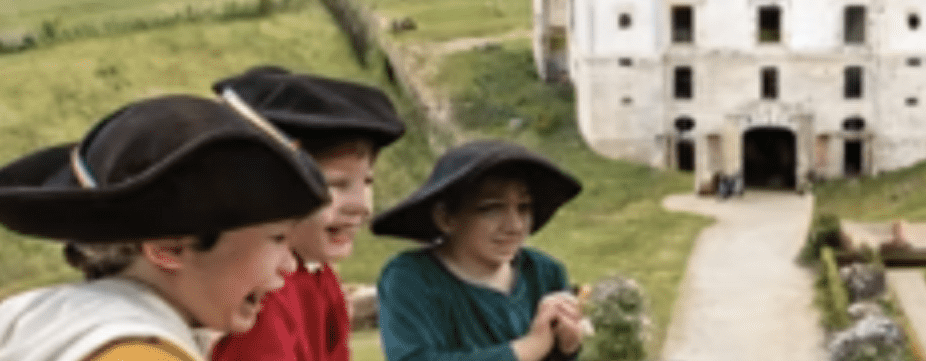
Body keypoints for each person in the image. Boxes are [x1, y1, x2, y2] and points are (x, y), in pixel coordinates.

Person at [0, 93, 329, 361]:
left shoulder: (39, 318)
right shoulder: (139, 352)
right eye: (277, 238)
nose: (288, 265)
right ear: (169, 248)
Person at [210, 66, 407, 361]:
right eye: (336, 184)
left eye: (367, 181)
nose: (362, 205)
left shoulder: (319, 275)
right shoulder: (262, 296)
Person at [372, 140, 585, 361]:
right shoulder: (412, 279)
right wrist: (528, 348)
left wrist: (566, 347)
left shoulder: (543, 273)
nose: (515, 226)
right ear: (445, 218)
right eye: (492, 208)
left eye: (524, 207)